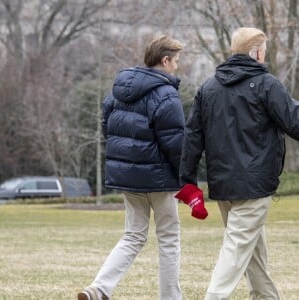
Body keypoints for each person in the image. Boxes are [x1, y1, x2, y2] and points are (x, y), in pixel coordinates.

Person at [179, 27, 299, 299]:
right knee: (236, 247)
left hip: (223, 184)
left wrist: (187, 181)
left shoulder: (208, 87)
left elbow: (192, 136)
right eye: (264, 50)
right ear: (257, 52)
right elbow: (295, 122)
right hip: (255, 184)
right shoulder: (266, 84)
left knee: (251, 248)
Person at [78, 35, 185, 300]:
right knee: (168, 238)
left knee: (133, 236)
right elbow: (176, 143)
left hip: (128, 177)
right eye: (176, 61)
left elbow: (108, 129)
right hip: (160, 179)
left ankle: (99, 288)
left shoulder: (117, 91)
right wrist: (186, 175)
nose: (177, 67)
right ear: (165, 60)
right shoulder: (166, 95)